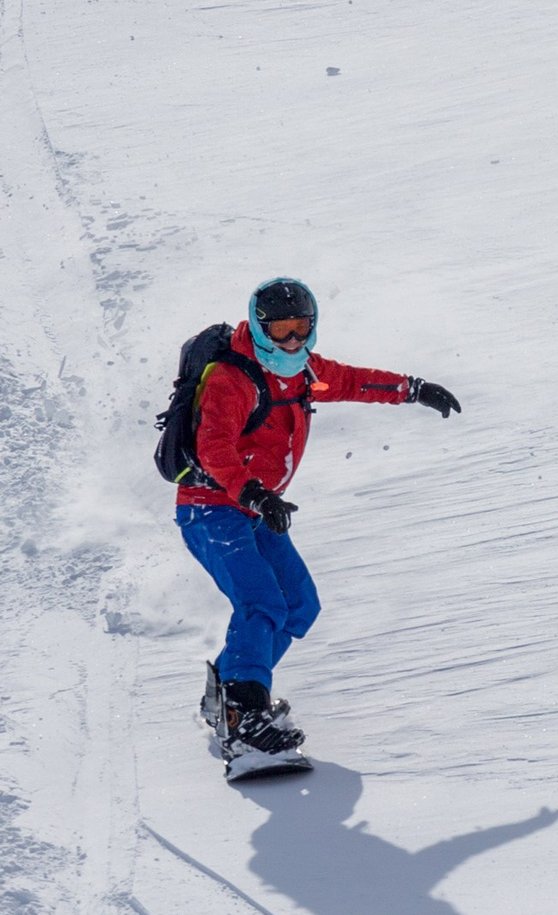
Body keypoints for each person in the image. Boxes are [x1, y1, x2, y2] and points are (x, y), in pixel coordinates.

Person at [173, 277, 461, 758]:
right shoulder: (233, 379)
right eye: (281, 329)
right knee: (261, 602)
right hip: (213, 508)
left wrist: (414, 389)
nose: (291, 340)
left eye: (301, 327)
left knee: (298, 605)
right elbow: (214, 447)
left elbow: (353, 382)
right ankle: (245, 717)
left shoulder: (302, 372)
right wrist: (255, 494)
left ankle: (228, 695)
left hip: (258, 509)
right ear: (261, 328)